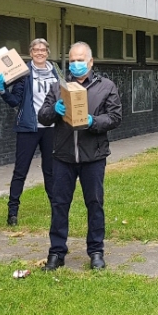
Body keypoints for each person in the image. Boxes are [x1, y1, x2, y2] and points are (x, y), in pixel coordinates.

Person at [37, 42, 122, 270]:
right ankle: (56, 253)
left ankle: (96, 251)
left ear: (91, 62)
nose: (76, 64)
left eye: (80, 60)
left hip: (93, 156)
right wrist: (54, 109)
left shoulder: (106, 86)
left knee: (94, 204)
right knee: (59, 204)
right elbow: (43, 116)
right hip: (63, 156)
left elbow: (115, 117)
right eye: (72, 60)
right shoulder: (58, 87)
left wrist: (94, 122)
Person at [0, 38, 61, 225]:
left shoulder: (56, 71)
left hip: (52, 128)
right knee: (20, 171)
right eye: (36, 50)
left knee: (51, 171)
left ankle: (57, 210)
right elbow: (15, 100)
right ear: (30, 53)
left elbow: (65, 93)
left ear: (48, 52)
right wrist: (2, 91)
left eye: (43, 50)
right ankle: (12, 213)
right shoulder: (23, 73)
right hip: (29, 128)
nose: (39, 53)